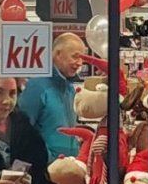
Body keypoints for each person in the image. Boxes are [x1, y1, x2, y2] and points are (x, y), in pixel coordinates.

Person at [14, 29, 92, 161]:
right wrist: (47, 160)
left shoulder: (70, 90)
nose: (79, 63)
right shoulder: (36, 86)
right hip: (45, 169)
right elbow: (23, 132)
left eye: (82, 59)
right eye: (75, 56)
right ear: (58, 54)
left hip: (68, 166)